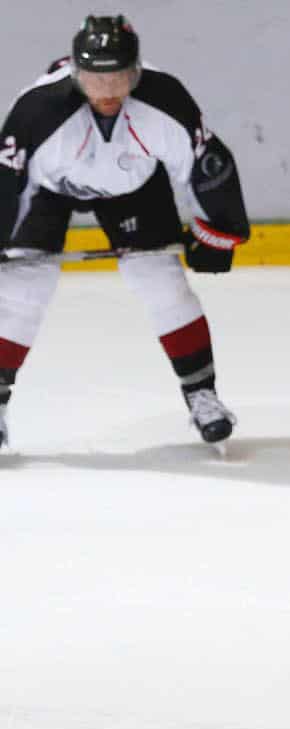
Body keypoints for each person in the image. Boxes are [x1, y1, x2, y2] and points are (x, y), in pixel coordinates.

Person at [0, 15, 249, 450]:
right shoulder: (37, 111)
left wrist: (217, 233)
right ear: (76, 74)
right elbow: (6, 183)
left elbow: (207, 167)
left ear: (136, 72)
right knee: (23, 288)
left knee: (161, 281)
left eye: (118, 78)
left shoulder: (164, 99)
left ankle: (202, 395)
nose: (107, 92)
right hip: (48, 191)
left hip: (134, 189)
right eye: (96, 80)